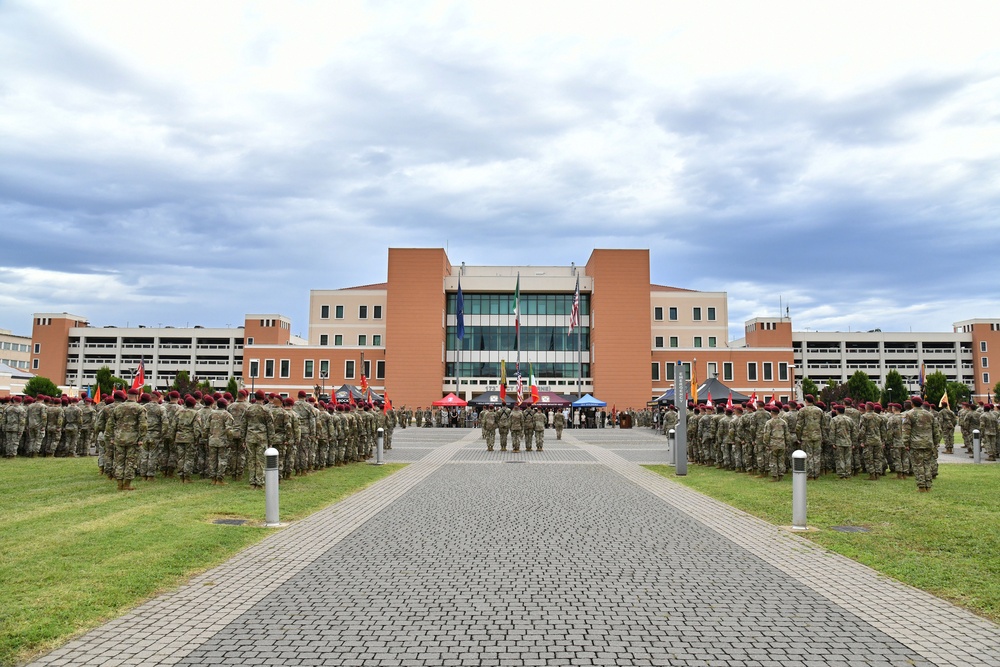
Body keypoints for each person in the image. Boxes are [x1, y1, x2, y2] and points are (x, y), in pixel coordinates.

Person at [105, 389, 148, 491]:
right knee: (131, 461)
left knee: (119, 461)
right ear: (137, 396)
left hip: (119, 438)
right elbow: (143, 425)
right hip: (133, 439)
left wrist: (111, 437)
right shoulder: (140, 408)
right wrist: (141, 438)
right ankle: (127, 484)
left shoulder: (117, 408)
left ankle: (119, 483)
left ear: (127, 395)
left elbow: (110, 424)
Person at [903, 396, 941, 492]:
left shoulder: (909, 414)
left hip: (916, 443)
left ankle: (921, 486)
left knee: (918, 465)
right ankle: (928, 485)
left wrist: (906, 443)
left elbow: (906, 430)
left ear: (912, 403)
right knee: (927, 464)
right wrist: (935, 442)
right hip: (928, 443)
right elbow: (936, 430)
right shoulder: (929, 414)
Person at [762, 405, 793, 481]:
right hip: (782, 443)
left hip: (773, 444)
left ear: (771, 412)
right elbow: (787, 434)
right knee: (781, 460)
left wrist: (766, 443)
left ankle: (774, 476)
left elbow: (767, 434)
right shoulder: (783, 422)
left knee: (773, 460)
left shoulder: (769, 422)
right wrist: (787, 443)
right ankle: (781, 476)